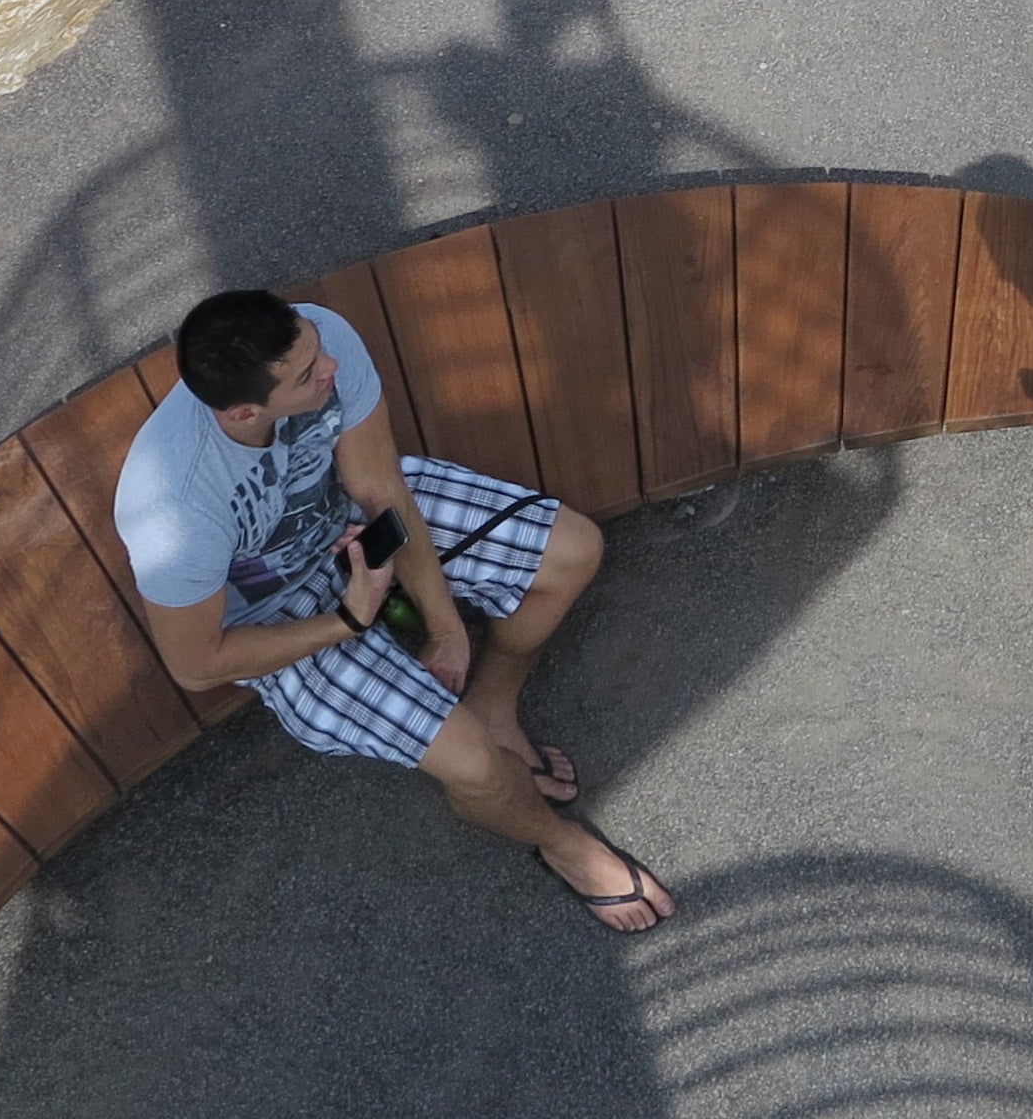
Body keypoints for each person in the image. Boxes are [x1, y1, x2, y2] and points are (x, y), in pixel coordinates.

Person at [117, 286, 675, 931]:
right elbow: (196, 663)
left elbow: (378, 486)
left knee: (572, 551)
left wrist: (446, 634)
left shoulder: (319, 338)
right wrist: (349, 618)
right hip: (269, 611)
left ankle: (492, 702)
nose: (329, 367)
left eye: (317, 350)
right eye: (306, 376)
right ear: (245, 414)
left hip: (345, 518)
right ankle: (561, 843)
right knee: (473, 766)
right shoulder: (176, 511)